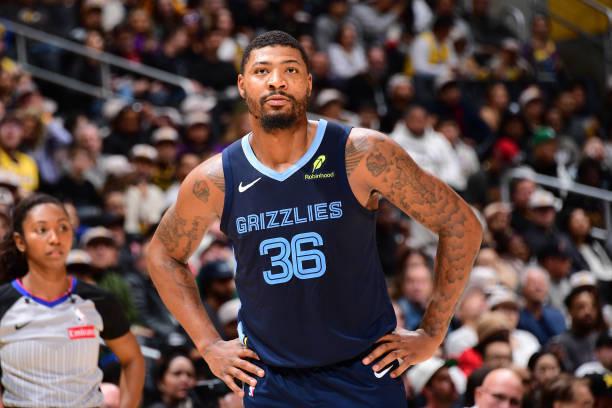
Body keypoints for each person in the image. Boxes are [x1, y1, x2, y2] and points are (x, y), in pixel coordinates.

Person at [147, 31, 483, 406]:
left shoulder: (361, 153)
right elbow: (162, 254)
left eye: (290, 70)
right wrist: (208, 344)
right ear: (242, 85)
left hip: (363, 374)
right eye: (262, 71)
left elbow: (461, 224)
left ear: (308, 83)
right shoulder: (215, 179)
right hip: (272, 381)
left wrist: (432, 332)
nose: (276, 81)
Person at [0, 193, 144, 408]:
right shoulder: (4, 303)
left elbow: (133, 360)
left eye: (63, 228)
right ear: (20, 242)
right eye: (42, 230)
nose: (55, 238)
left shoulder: (98, 301)